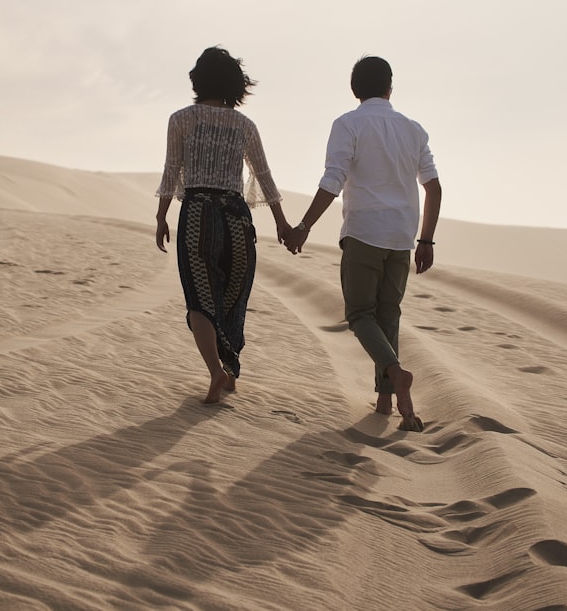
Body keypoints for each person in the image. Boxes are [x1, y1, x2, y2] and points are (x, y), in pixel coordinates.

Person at [285, 55, 442, 432]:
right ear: (390, 87)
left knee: (360, 315)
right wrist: (426, 240)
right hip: (402, 238)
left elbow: (333, 178)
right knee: (388, 315)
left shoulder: (347, 124)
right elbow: (433, 187)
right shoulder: (413, 129)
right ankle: (386, 400)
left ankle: (393, 374)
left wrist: (304, 225)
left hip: (364, 232)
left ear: (355, 90)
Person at [155, 46, 291, 405]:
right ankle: (229, 370)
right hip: (236, 219)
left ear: (197, 80)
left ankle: (216, 369)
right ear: (235, 84)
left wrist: (160, 216)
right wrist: (281, 222)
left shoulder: (181, 119)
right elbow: (263, 176)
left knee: (200, 298)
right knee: (232, 295)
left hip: (198, 214)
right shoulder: (245, 125)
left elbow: (172, 170)